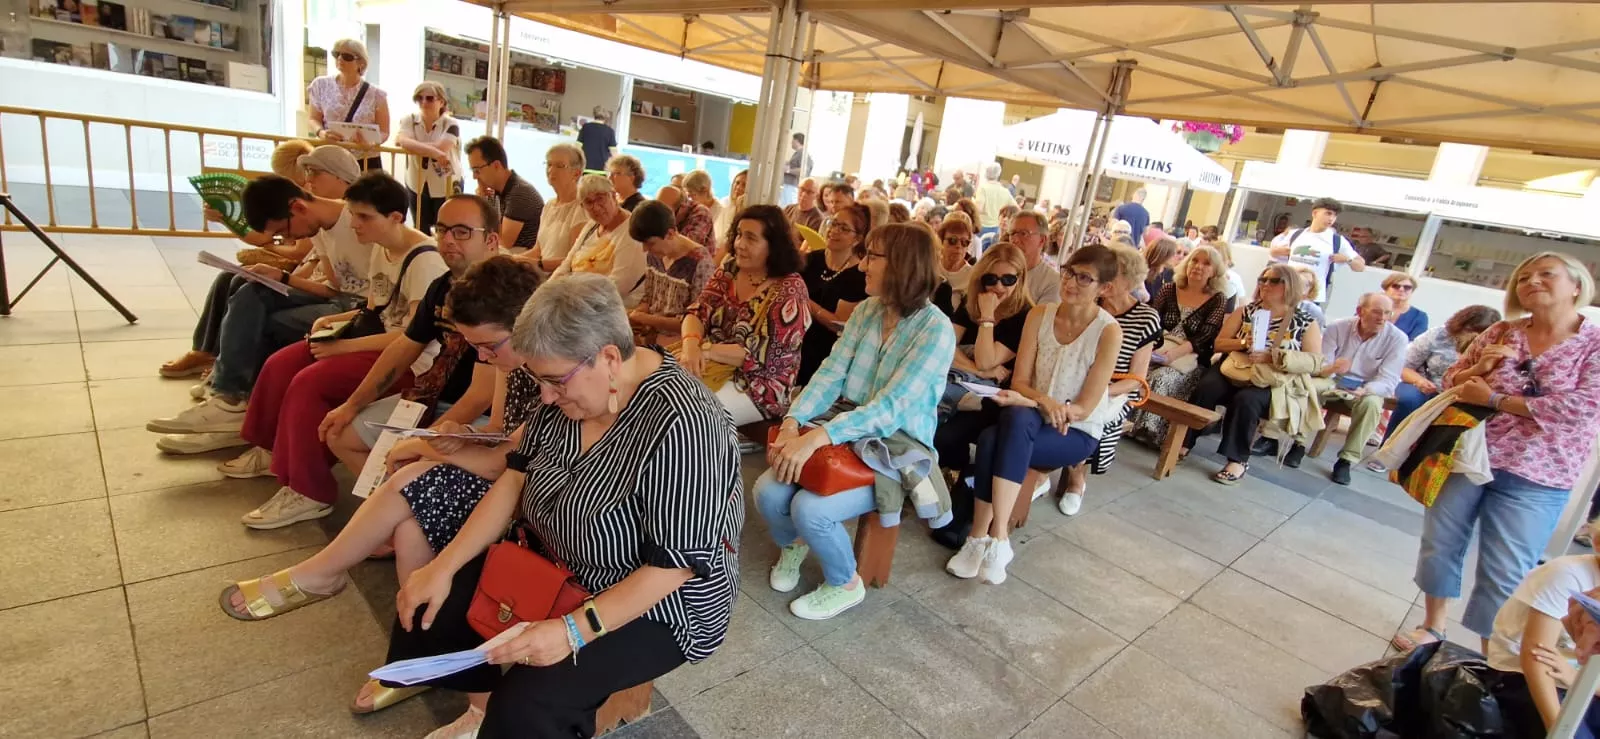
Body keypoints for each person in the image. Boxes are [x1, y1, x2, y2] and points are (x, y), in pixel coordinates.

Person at [385, 273, 743, 738]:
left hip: (660, 604)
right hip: (560, 564)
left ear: (610, 358)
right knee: (433, 608)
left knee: (531, 706)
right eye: (538, 380)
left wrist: (572, 631)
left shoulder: (686, 424)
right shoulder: (568, 392)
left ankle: (505, 719)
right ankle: (481, 713)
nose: (546, 397)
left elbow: (673, 567)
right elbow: (514, 478)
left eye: (554, 381)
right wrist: (444, 566)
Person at [212, 256, 542, 716]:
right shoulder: (512, 359)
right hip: (508, 475)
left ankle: (323, 576)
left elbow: (508, 463)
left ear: (527, 325)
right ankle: (416, 660)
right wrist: (459, 438)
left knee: (415, 476)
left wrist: (433, 450)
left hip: (537, 497)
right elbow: (505, 434)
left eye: (489, 346)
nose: (483, 358)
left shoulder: (554, 369)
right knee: (411, 526)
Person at [1396, 252, 1600, 653]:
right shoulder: (1503, 332)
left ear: (1576, 287)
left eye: (1546, 274)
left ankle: (1492, 650)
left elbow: (1586, 407)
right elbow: (1453, 377)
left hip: (1540, 473)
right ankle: (1433, 626)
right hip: (1470, 454)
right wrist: (1477, 371)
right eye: (1524, 277)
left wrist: (1495, 398)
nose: (1532, 281)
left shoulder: (1593, 344)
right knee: (1440, 542)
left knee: (1507, 567)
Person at [226, 172, 446, 530]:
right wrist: (335, 325)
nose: (355, 225)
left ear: (394, 217)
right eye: (353, 215)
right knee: (282, 363)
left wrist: (344, 345)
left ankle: (309, 490)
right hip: (378, 342)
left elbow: (412, 336)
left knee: (310, 383)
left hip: (410, 362)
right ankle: (269, 450)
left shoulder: (425, 260)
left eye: (364, 217)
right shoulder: (382, 248)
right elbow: (374, 310)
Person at [760, 223, 956, 619]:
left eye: (872, 256)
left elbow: (891, 408)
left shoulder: (936, 329)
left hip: (894, 448)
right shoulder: (868, 310)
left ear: (901, 264)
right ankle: (794, 544)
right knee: (768, 492)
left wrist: (818, 437)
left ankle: (845, 582)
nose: (863, 264)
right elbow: (831, 374)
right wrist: (794, 421)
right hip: (843, 426)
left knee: (811, 509)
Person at [146, 166, 372, 446]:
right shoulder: (319, 227)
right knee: (252, 291)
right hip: (338, 299)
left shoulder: (359, 220)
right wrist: (283, 277)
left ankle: (236, 403)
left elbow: (363, 295)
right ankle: (228, 397)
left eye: (283, 230)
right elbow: (334, 288)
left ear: (298, 207)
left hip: (362, 309)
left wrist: (288, 278)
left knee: (268, 321)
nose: (288, 236)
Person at [946, 245, 1125, 584]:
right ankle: (987, 541)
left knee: (1002, 430)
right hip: (1031, 417)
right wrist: (1042, 401)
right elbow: (1022, 381)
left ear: (1104, 288)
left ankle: (988, 536)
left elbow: (1086, 406)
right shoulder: (1040, 314)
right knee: (997, 433)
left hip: (1075, 431)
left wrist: (1044, 405)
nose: (1071, 282)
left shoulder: (1108, 331)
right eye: (1069, 272)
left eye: (1084, 278)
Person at [318, 194, 509, 482]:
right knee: (340, 433)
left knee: (410, 464)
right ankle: (390, 509)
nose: (448, 240)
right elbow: (405, 346)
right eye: (442, 230)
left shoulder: (506, 292)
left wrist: (421, 443)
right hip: (432, 396)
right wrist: (352, 405)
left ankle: (399, 509)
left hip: (485, 417)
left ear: (491, 241)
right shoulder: (442, 285)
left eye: (462, 232)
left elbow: (482, 395)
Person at [159, 139, 331, 383]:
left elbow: (297, 253)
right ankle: (208, 351)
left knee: (250, 293)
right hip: (300, 272)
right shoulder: (303, 207)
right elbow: (275, 241)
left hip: (299, 272)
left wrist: (272, 249)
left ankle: (227, 367)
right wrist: (229, 222)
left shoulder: (311, 209)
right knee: (229, 278)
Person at [928, 244, 1033, 548]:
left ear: (1020, 279)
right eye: (991, 279)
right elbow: (943, 344)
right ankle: (941, 474)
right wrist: (981, 369)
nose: (998, 287)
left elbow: (986, 359)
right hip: (963, 388)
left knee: (945, 436)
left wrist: (987, 318)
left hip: (995, 401)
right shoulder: (971, 304)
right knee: (928, 423)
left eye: (1008, 280)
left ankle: (955, 483)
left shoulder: (1023, 314)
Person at [1183, 263, 1323, 485]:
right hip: (1236, 368)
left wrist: (1275, 357)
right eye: (1263, 279)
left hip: (1270, 379)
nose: (1266, 284)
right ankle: (1184, 440)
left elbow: (1315, 362)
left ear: (1289, 286)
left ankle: (1237, 460)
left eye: (1274, 280)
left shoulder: (1305, 321)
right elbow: (1219, 344)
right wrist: (1241, 342)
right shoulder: (1247, 311)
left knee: (1246, 400)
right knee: (1207, 386)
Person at [680, 205, 810, 425]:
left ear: (773, 246)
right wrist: (691, 344)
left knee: (692, 415)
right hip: (711, 363)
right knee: (653, 391)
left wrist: (705, 350)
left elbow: (761, 356)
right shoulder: (730, 268)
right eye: (739, 234)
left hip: (760, 385)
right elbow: (698, 311)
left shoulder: (790, 289)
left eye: (751, 238)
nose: (739, 244)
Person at [1059, 243, 1160, 515]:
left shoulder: (1146, 317)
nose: (1109, 279)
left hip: (1117, 388)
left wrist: (1102, 390)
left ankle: (1076, 480)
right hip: (1074, 377)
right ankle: (1041, 471)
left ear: (1132, 280)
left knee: (1093, 413)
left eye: (1116, 273)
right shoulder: (1088, 304)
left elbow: (1137, 378)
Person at [1270, 292, 1405, 485]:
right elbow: (1320, 365)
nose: (1382, 318)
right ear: (1360, 311)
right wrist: (1333, 368)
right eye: (1376, 312)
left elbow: (1388, 379)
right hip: (1333, 379)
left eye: (1387, 313)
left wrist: (1366, 389)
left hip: (1366, 387)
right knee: (1309, 386)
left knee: (1372, 404)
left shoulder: (1397, 338)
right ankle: (1298, 444)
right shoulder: (1338, 327)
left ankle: (1346, 460)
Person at [1368, 304, 1501, 472]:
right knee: (1409, 400)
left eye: (1480, 332)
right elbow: (1404, 366)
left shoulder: (1491, 348)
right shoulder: (1438, 335)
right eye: (1469, 329)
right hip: (1424, 384)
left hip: (1458, 393)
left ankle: (1424, 463)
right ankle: (1387, 452)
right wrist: (1419, 381)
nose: (1473, 335)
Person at [1479, 553, 1600, 738]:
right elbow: (1535, 658)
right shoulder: (1567, 574)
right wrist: (1560, 731)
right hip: (1522, 673)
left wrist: (1577, 680)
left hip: (1578, 680)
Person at [1129, 245, 1232, 446]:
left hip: (1189, 358)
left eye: (1206, 263)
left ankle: (1149, 430)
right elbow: (1152, 322)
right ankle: (1124, 421)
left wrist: (1173, 354)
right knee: (1136, 372)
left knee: (1161, 377)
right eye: (1195, 260)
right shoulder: (1169, 289)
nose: (1198, 266)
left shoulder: (1218, 299)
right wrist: (1150, 350)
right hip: (1158, 346)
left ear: (1214, 272)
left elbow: (1205, 336)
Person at [797, 202, 871, 385]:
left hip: (826, 350)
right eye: (834, 223)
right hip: (796, 337)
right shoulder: (811, 259)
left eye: (844, 228)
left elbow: (838, 324)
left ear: (858, 239)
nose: (834, 230)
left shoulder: (859, 276)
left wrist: (805, 301)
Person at [627, 200, 714, 346]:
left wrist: (645, 319)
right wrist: (639, 314)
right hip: (652, 333)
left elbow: (697, 321)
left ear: (670, 233)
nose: (644, 249)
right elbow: (649, 297)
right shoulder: (655, 254)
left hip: (680, 341)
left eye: (650, 243)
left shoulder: (700, 263)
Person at [554, 174, 648, 306]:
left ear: (613, 196)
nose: (596, 207)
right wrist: (548, 292)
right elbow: (566, 264)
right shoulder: (592, 225)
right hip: (575, 300)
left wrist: (570, 302)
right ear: (582, 206)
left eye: (600, 199)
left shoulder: (631, 232)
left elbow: (616, 287)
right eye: (589, 202)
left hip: (608, 309)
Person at [308, 38, 389, 171]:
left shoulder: (376, 94)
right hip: (331, 155)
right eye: (336, 54)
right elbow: (313, 118)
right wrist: (321, 132)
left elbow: (384, 131)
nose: (340, 58)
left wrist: (370, 143)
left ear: (361, 63)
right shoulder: (320, 85)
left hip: (365, 159)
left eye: (347, 56)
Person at [394, 81, 461, 234]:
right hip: (416, 181)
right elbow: (401, 140)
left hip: (446, 182)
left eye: (430, 98)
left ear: (441, 102)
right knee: (420, 228)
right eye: (419, 98)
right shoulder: (408, 119)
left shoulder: (451, 123)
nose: (424, 102)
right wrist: (434, 152)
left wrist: (415, 145)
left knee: (445, 228)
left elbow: (443, 147)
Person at [1270, 197, 1365, 302]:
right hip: (1287, 291)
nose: (1331, 218)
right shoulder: (1296, 234)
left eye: (1334, 215)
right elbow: (1273, 252)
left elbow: (1360, 266)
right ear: (1315, 213)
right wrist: (1279, 251)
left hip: (1313, 297)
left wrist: (1348, 260)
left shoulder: (1336, 240)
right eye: (1328, 213)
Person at [466, 136, 543, 252]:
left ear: (496, 165)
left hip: (521, 260)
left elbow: (502, 243)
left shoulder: (519, 193)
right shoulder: (496, 191)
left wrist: (483, 202)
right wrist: (482, 199)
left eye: (477, 170)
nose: (474, 177)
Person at [524, 143, 586, 273]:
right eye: (549, 164)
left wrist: (537, 264)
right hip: (542, 275)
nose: (551, 170)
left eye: (560, 166)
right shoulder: (549, 205)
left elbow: (575, 260)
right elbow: (538, 250)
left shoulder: (582, 207)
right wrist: (511, 260)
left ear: (576, 173)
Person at [1008, 210, 1060, 305]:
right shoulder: (998, 269)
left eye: (1023, 233)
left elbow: (1042, 318)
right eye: (1012, 233)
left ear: (1042, 240)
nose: (1014, 239)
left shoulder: (1052, 281)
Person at [657, 184, 714, 250]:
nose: (659, 218)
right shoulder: (663, 214)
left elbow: (684, 248)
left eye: (665, 214)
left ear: (682, 208)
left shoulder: (701, 213)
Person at [936, 218, 976, 305]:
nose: (958, 246)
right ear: (941, 242)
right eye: (952, 241)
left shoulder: (973, 276)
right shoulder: (931, 267)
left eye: (964, 242)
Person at [973, 162, 1016, 240]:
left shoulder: (983, 189)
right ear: (998, 174)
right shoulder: (1005, 191)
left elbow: (978, 209)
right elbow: (1016, 209)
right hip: (996, 228)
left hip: (981, 227)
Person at [682, 170, 724, 249]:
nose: (689, 200)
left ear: (705, 190)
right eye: (687, 195)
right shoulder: (690, 209)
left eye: (692, 195)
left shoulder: (720, 213)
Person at [712, 170, 748, 257]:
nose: (738, 187)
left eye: (744, 185)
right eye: (737, 183)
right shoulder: (725, 203)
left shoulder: (749, 211)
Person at [1385, 272, 1429, 340]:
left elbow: (1414, 344)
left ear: (1412, 291)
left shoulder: (1419, 316)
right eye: (1396, 286)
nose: (1401, 289)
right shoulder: (1373, 309)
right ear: (1386, 289)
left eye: (1407, 287)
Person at [575, 110, 617, 177]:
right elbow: (614, 153)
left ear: (594, 116)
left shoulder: (585, 127)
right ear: (605, 118)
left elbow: (577, 148)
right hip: (602, 169)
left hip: (586, 168)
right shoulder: (610, 131)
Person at [781, 133, 812, 206]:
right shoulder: (797, 153)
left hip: (792, 186)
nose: (791, 142)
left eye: (793, 140)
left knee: (787, 206)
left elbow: (804, 170)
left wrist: (788, 170)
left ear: (797, 141)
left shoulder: (803, 154)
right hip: (788, 185)